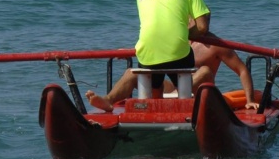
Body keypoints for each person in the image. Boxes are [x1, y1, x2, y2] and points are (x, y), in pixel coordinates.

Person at [86, 0, 210, 110]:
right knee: (183, 62)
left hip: (146, 53)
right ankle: (193, 104)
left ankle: (110, 99)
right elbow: (202, 27)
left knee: (151, 73)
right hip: (178, 53)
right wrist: (186, 33)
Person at [86, 32, 257, 110]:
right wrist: (131, 51)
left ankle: (176, 98)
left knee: (204, 71)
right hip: (174, 90)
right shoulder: (173, 42)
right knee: (132, 71)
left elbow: (242, 70)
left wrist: (249, 100)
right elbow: (151, 54)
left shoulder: (215, 45)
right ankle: (108, 100)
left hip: (198, 94)